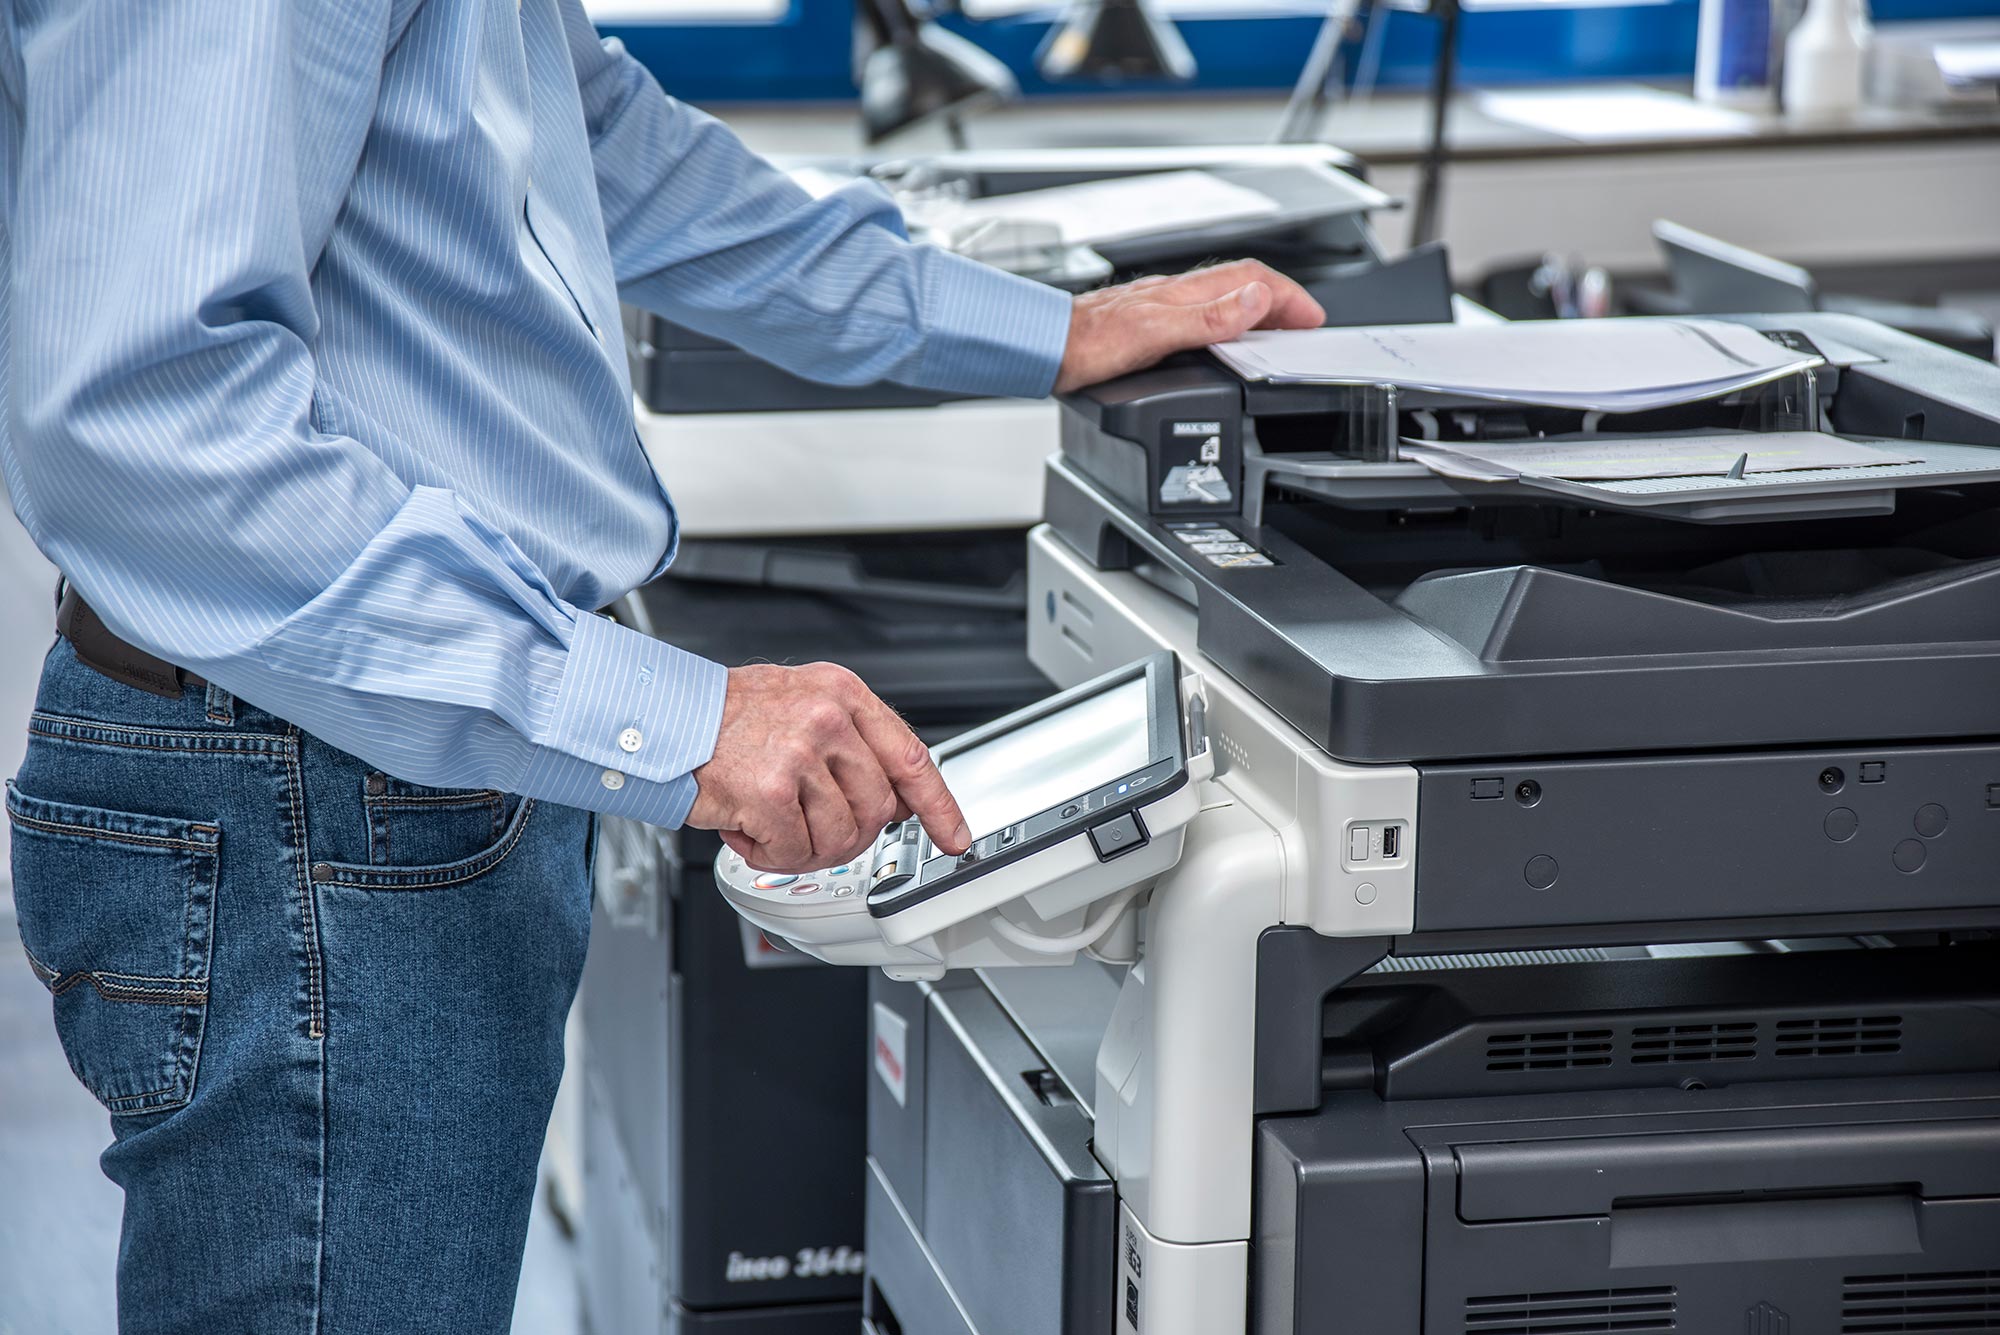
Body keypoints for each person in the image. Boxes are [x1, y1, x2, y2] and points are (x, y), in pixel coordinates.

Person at [0, 1, 1324, 1330]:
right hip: (309, 769)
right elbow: (146, 419)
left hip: (380, 761)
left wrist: (1046, 330)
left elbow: (609, 139)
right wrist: (678, 723)